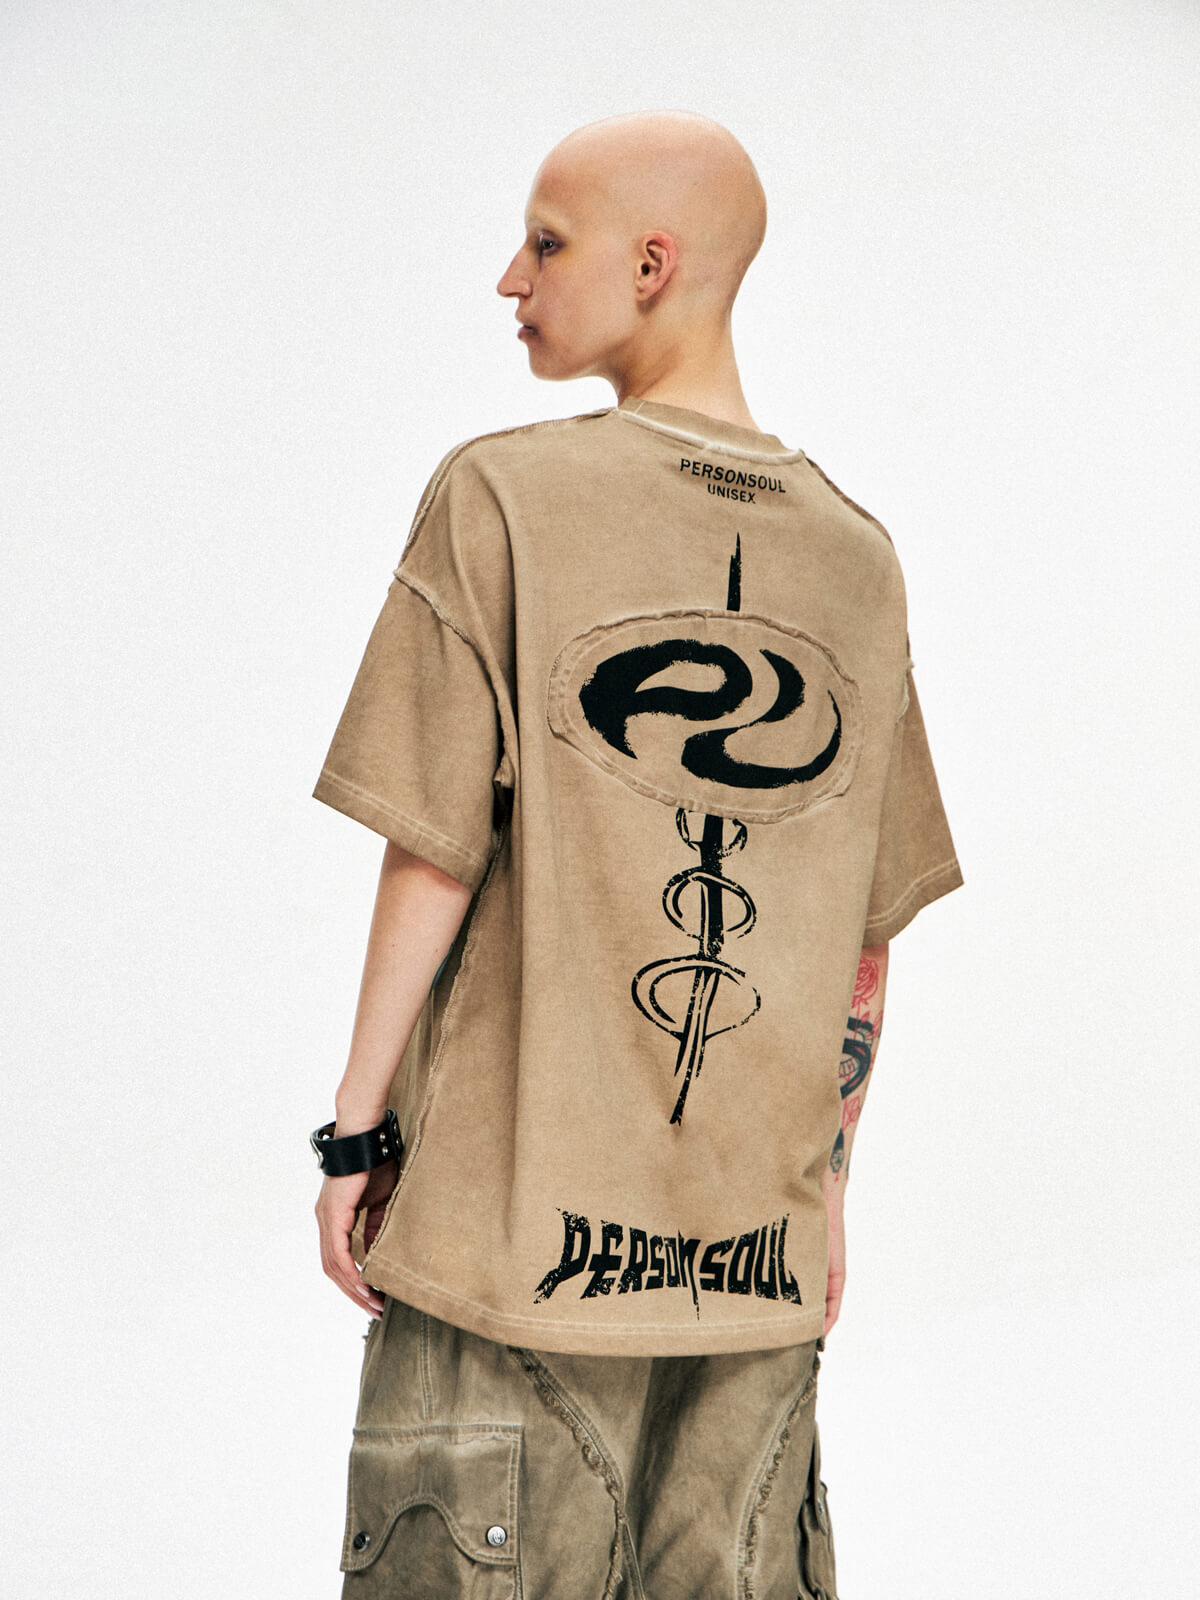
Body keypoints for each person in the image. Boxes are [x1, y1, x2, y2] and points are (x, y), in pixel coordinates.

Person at [311, 109, 962, 1599]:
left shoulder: (502, 496)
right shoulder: (857, 558)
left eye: (546, 242)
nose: (512, 278)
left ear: (652, 265)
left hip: (507, 1261)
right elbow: (867, 933)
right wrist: (826, 1193)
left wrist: (353, 1137)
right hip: (755, 1280)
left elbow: (432, 854)